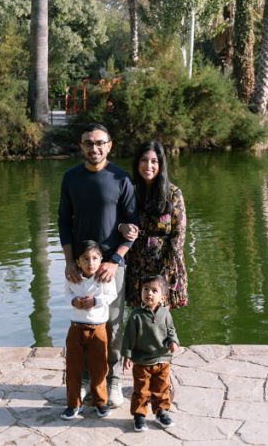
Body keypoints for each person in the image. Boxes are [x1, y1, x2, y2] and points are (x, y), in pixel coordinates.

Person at [57, 123, 138, 407]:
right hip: (80, 266)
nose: (94, 148)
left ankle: (113, 381)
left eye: (100, 142)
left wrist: (115, 261)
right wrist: (69, 261)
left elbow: (133, 225)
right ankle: (82, 381)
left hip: (111, 267)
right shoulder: (71, 178)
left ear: (109, 145)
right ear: (81, 146)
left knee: (113, 326)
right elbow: (64, 221)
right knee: (82, 325)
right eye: (89, 143)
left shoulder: (121, 178)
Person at [123, 141, 188, 310]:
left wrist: (170, 269)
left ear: (161, 164)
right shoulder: (131, 191)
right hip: (136, 261)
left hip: (164, 261)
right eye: (144, 160)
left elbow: (178, 235)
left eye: (154, 161)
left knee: (159, 318)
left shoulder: (173, 193)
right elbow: (117, 222)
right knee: (139, 316)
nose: (148, 166)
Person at [61, 240, 118, 420]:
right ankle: (72, 404)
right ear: (78, 261)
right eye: (85, 259)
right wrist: (74, 301)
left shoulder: (104, 278)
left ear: (101, 260)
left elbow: (112, 295)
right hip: (76, 328)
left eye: (95, 258)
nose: (90, 263)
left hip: (98, 329)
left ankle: (100, 402)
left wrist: (96, 302)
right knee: (73, 368)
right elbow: (66, 294)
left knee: (99, 368)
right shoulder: (72, 277)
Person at [121, 274, 180, 432]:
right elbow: (128, 338)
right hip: (142, 361)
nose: (149, 293)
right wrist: (127, 355)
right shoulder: (136, 316)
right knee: (141, 390)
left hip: (162, 359)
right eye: (146, 289)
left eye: (154, 290)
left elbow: (171, 331)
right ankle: (139, 415)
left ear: (163, 297)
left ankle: (161, 412)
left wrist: (173, 342)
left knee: (161, 388)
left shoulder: (165, 314)